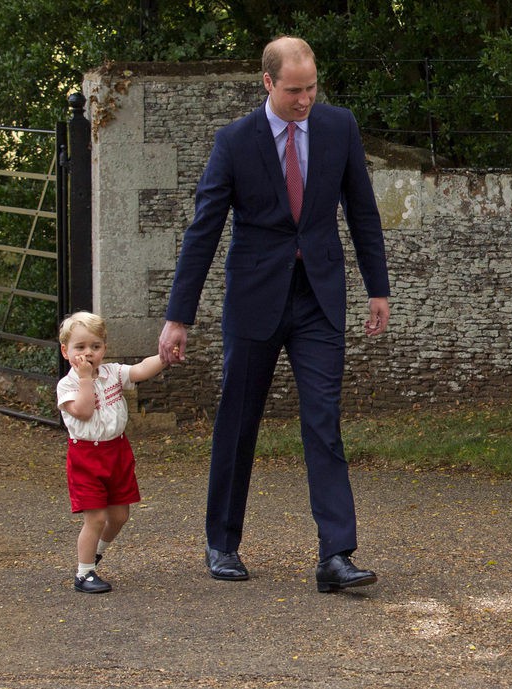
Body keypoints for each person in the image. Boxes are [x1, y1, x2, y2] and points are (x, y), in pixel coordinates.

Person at [158, 35, 390, 592]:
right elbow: (204, 230)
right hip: (254, 300)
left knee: (323, 423)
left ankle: (336, 556)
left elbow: (362, 209)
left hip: (319, 299)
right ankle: (222, 542)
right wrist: (178, 316)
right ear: (268, 83)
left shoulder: (340, 127)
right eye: (293, 90)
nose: (305, 99)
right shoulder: (234, 141)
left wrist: (377, 289)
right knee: (237, 423)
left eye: (311, 88)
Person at [57, 311, 169, 593]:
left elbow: (141, 370)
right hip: (86, 456)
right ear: (65, 351)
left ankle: (95, 553)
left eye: (95, 346)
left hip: (117, 451)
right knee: (95, 518)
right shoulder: (68, 385)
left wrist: (165, 356)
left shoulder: (112, 373)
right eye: (80, 347)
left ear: (104, 348)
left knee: (119, 516)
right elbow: (83, 411)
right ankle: (84, 573)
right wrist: (85, 379)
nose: (88, 353)